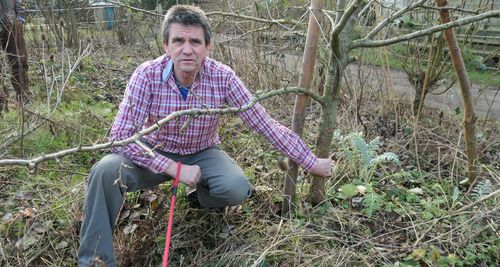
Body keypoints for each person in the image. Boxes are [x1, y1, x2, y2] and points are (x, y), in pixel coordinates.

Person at [78, 5, 333, 266]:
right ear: (166, 45)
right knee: (106, 171)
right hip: (155, 149)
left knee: (236, 188)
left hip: (203, 151)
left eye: (195, 41)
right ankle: (95, 259)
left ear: (207, 47)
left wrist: (310, 162)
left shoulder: (223, 78)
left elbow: (264, 124)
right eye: (178, 40)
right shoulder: (146, 75)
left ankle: (198, 196)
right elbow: (121, 136)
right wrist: (172, 167)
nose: (187, 49)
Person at [0, 0, 29, 111]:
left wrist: (20, 17)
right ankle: (2, 104)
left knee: (20, 61)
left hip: (11, 21)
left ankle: (24, 98)